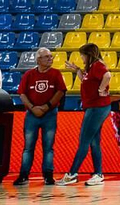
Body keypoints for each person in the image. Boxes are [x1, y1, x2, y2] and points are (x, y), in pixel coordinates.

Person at [14, 47, 66, 185]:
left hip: (49, 114)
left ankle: (48, 175)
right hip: (32, 114)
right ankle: (24, 175)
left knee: (48, 146)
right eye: (47, 57)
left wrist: (46, 107)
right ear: (38, 60)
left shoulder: (56, 74)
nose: (50, 59)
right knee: (28, 146)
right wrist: (32, 107)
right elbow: (22, 93)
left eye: (51, 56)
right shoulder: (29, 74)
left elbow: (60, 91)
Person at [61, 42, 111, 186]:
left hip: (97, 108)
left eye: (82, 55)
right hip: (96, 107)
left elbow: (107, 75)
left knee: (84, 141)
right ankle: (98, 174)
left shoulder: (97, 66)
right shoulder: (91, 68)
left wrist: (101, 89)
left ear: (89, 55)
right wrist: (77, 70)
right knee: (94, 142)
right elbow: (85, 80)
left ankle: (72, 174)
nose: (81, 58)